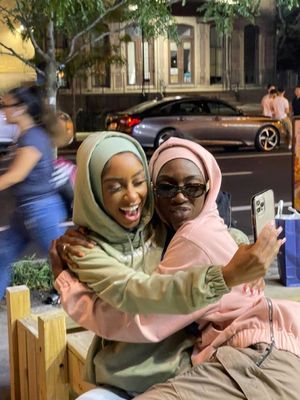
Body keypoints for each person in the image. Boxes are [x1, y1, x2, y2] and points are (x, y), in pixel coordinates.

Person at [50, 133, 285, 399]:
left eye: (138, 182)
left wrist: (242, 254)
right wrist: (228, 275)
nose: (131, 196)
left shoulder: (161, 228)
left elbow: (214, 232)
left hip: (186, 369)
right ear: (91, 190)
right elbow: (137, 294)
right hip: (123, 378)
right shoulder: (87, 248)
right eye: (115, 187)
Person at [0, 85, 68, 299]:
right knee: (2, 254)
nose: (3, 110)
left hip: (41, 211)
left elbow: (16, 175)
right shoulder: (25, 137)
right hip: (25, 212)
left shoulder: (33, 138)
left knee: (60, 261)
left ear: (21, 109)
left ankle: (73, 305)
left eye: (6, 105)